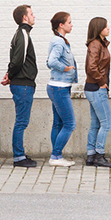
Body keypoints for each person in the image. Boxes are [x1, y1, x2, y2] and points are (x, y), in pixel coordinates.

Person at [2, 5, 38, 168]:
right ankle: (18, 156)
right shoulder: (23, 34)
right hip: (23, 84)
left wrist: (10, 74)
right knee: (21, 121)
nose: (33, 16)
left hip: (22, 84)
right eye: (31, 14)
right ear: (24, 18)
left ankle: (20, 154)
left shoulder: (21, 34)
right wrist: (10, 74)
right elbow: (18, 61)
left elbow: (16, 61)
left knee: (21, 120)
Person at [45, 11, 77, 167]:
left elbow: (48, 61)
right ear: (61, 25)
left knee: (58, 123)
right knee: (70, 123)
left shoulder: (60, 40)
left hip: (58, 86)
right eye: (69, 22)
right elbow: (51, 61)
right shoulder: (59, 41)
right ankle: (56, 156)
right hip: (59, 88)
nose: (72, 25)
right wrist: (65, 68)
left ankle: (56, 156)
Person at [84, 17, 111, 167]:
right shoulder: (96, 44)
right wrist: (102, 83)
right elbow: (91, 67)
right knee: (106, 123)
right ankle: (99, 155)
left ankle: (91, 155)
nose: (108, 28)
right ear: (98, 28)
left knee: (96, 123)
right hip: (96, 87)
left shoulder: (99, 44)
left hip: (94, 88)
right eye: (106, 26)